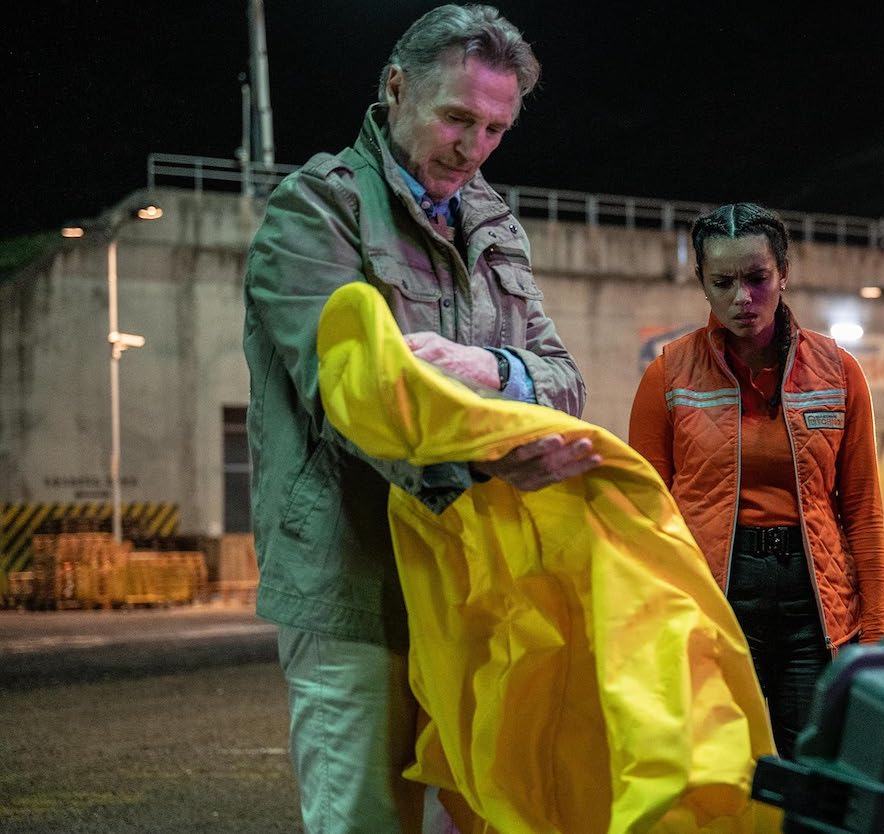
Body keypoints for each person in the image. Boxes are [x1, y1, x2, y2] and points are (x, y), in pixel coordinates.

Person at [243, 6, 596, 831]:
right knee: (367, 818)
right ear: (397, 89)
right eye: (457, 118)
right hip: (357, 585)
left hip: (476, 587)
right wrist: (485, 457)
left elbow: (565, 379)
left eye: (496, 130)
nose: (474, 148)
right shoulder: (315, 212)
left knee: (486, 814)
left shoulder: (494, 225)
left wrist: (495, 369)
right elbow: (351, 397)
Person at [627, 202, 884, 758]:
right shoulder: (667, 375)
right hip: (714, 596)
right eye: (722, 283)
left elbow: (863, 508)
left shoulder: (839, 372)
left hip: (813, 600)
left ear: (783, 273)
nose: (742, 298)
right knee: (723, 763)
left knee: (811, 765)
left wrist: (874, 630)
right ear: (702, 283)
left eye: (757, 278)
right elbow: (644, 517)